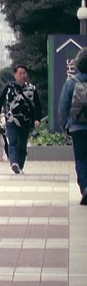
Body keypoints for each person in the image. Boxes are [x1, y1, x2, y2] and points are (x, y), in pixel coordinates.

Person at [0, 64, 43, 174]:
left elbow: (38, 105)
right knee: (12, 141)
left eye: (24, 73)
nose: (22, 75)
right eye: (20, 73)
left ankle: (20, 166)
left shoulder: (31, 89)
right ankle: (14, 162)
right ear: (15, 75)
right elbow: (1, 99)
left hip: (26, 121)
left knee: (22, 145)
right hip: (11, 120)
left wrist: (37, 118)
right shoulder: (9, 87)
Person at [58, 45, 87, 205]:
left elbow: (63, 106)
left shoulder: (71, 82)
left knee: (81, 159)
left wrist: (65, 126)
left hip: (77, 128)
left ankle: (85, 187)